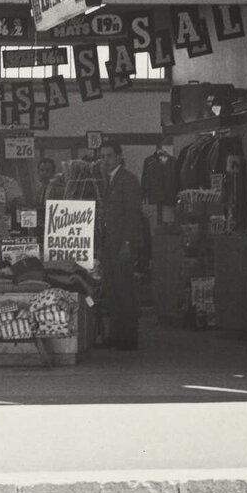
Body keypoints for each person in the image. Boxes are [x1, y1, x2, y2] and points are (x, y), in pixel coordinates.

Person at [94, 142, 148, 350]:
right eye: (103, 156)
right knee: (112, 291)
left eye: (109, 156)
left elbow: (133, 216)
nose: (105, 160)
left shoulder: (128, 180)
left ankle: (129, 337)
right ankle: (116, 335)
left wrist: (127, 243)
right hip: (109, 244)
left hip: (123, 244)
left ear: (119, 157)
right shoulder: (108, 181)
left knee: (125, 291)